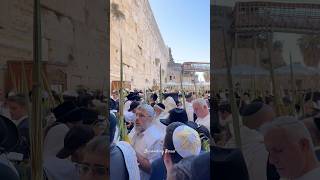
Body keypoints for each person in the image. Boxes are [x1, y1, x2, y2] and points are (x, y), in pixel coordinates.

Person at [128, 103, 164, 180]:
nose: (137, 118)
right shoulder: (135, 131)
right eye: (136, 114)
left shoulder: (156, 139)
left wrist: (131, 151)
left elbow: (153, 169)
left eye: (141, 115)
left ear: (151, 118)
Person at [7, 94, 30, 160]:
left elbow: (21, 153)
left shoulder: (24, 128)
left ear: (24, 108)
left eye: (14, 108)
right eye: (10, 108)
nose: (10, 111)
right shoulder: (24, 124)